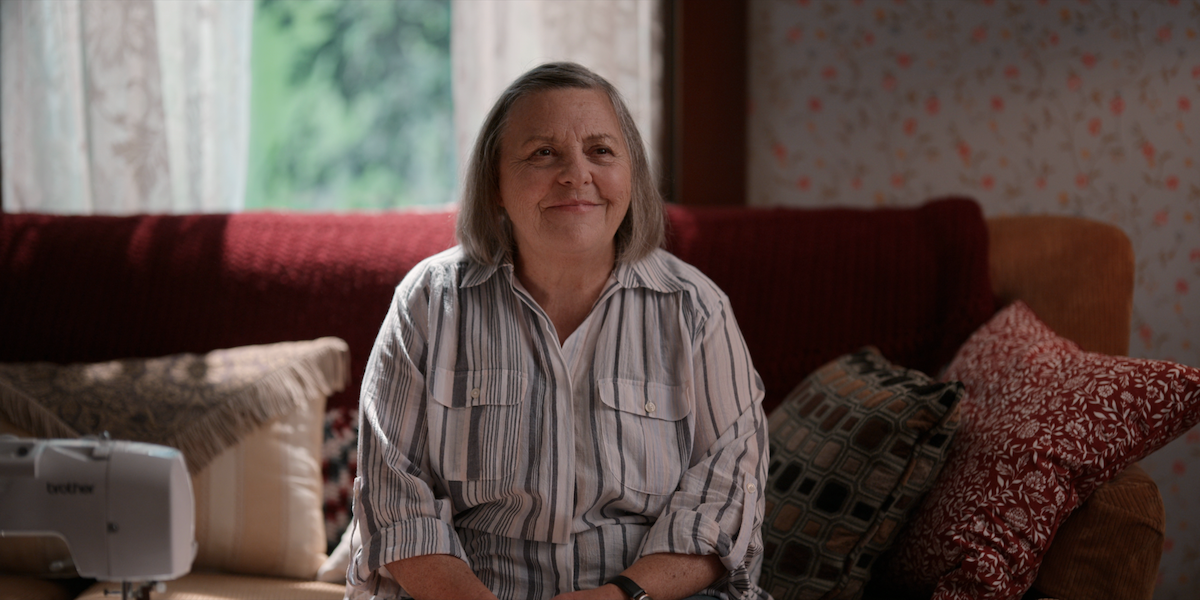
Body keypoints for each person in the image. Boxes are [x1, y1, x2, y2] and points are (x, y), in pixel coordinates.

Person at [348, 62, 770, 600]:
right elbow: (395, 502)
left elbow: (725, 498)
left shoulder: (697, 310)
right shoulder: (428, 303)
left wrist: (619, 597)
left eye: (601, 151)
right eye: (543, 153)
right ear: (495, 184)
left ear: (631, 176)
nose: (576, 174)